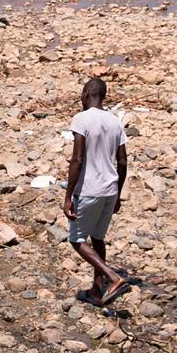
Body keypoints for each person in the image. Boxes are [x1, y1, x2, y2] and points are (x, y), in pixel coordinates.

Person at [64, 78, 129, 305]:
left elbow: (77, 159)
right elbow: (122, 162)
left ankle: (112, 277)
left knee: (77, 240)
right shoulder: (115, 122)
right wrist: (118, 193)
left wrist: (68, 196)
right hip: (110, 190)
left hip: (89, 190)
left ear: (86, 93)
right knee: (98, 238)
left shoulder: (81, 119)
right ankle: (96, 290)